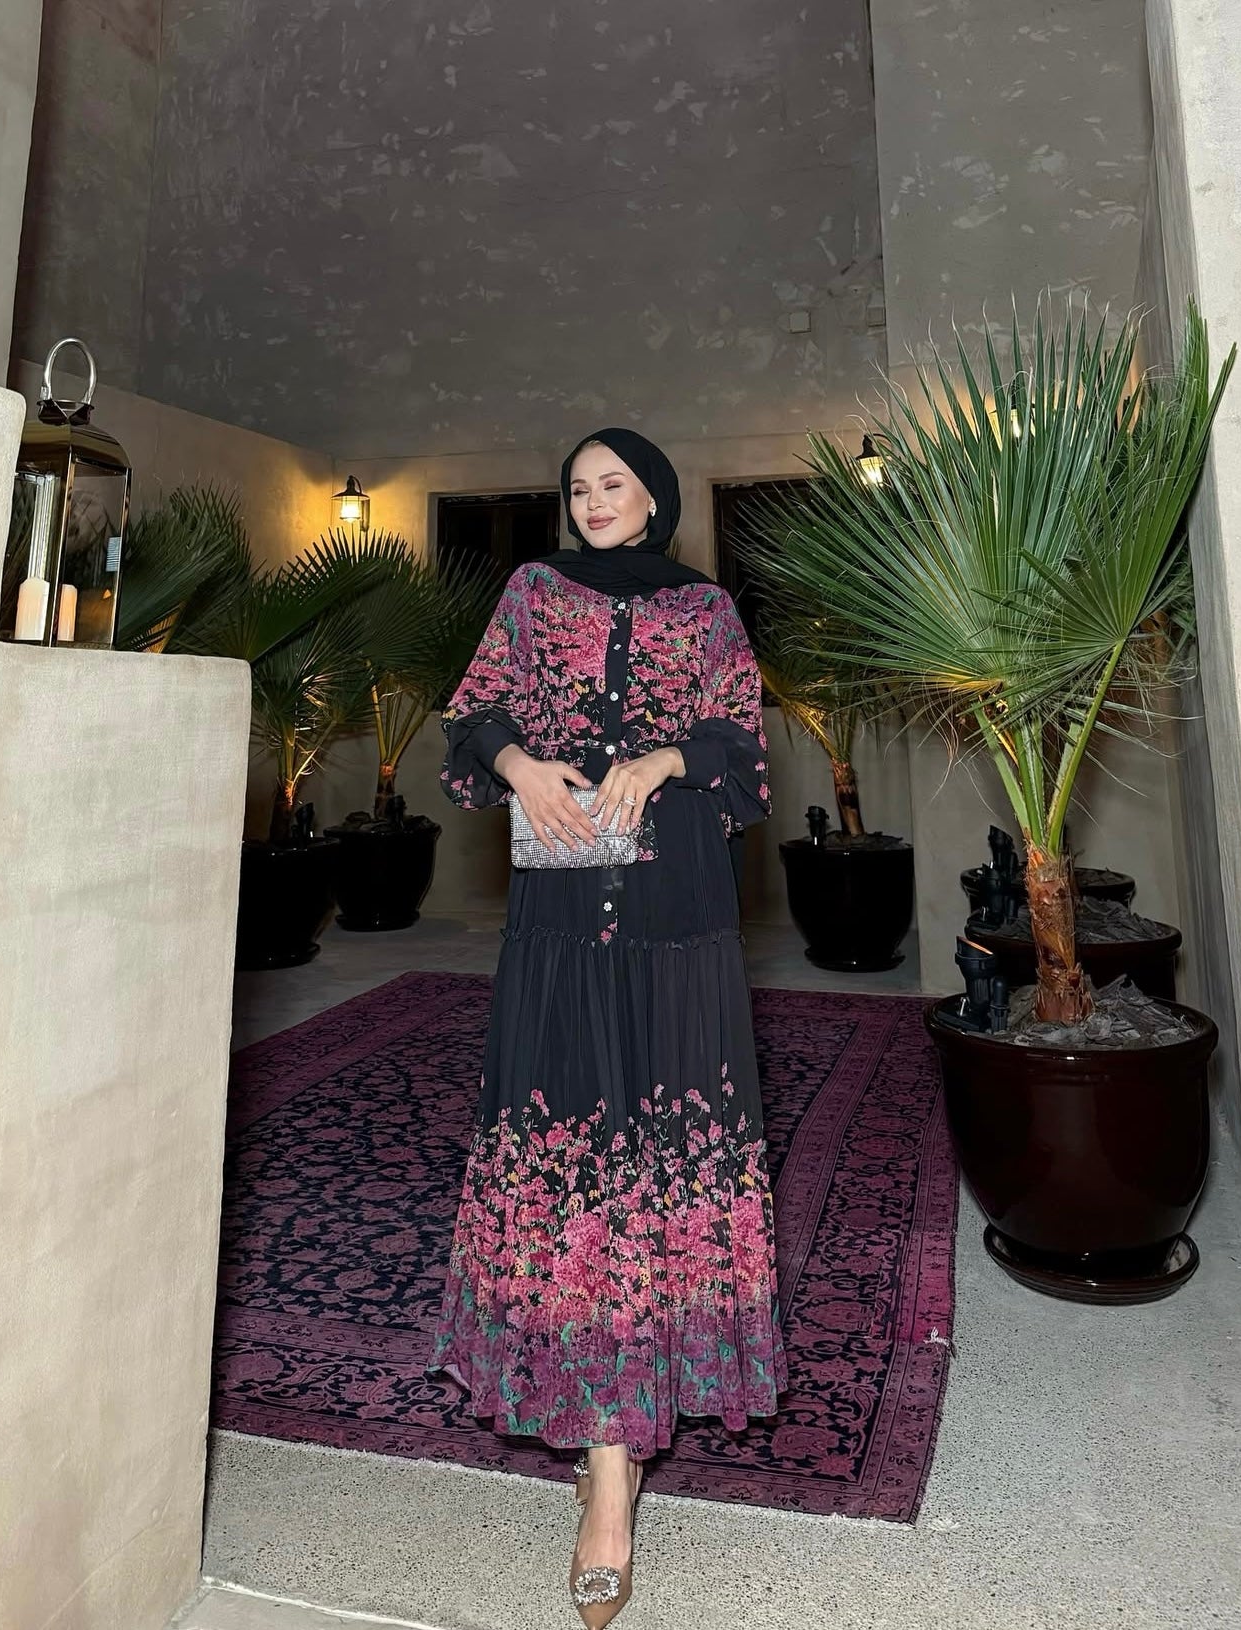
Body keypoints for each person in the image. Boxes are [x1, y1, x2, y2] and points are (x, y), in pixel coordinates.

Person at [430, 427, 786, 1628]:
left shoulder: (707, 610)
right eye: (578, 487)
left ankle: (617, 1468)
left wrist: (670, 755)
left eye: (613, 485)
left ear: (654, 499)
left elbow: (745, 749)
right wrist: (521, 764)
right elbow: (471, 715)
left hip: (678, 914)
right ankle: (604, 1455)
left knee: (659, 1162)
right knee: (575, 1156)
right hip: (561, 913)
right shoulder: (533, 595)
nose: (592, 501)